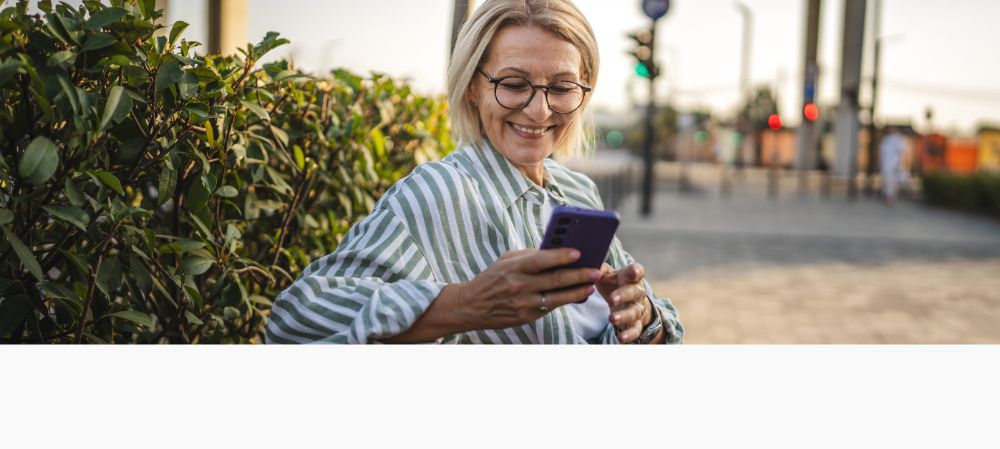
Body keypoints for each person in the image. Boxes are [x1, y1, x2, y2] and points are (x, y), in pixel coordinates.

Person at [265, 0, 683, 344]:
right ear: (472, 85)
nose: (539, 110)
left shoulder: (578, 191)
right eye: (514, 84)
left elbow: (642, 320)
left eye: (561, 87)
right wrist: (465, 304)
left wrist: (643, 317)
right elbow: (294, 320)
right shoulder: (437, 192)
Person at [879, 126, 906, 205]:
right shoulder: (886, 139)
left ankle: (890, 197)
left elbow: (901, 151)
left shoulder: (898, 139)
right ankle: (887, 196)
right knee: (887, 181)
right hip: (886, 164)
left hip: (893, 164)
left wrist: (899, 162)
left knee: (891, 181)